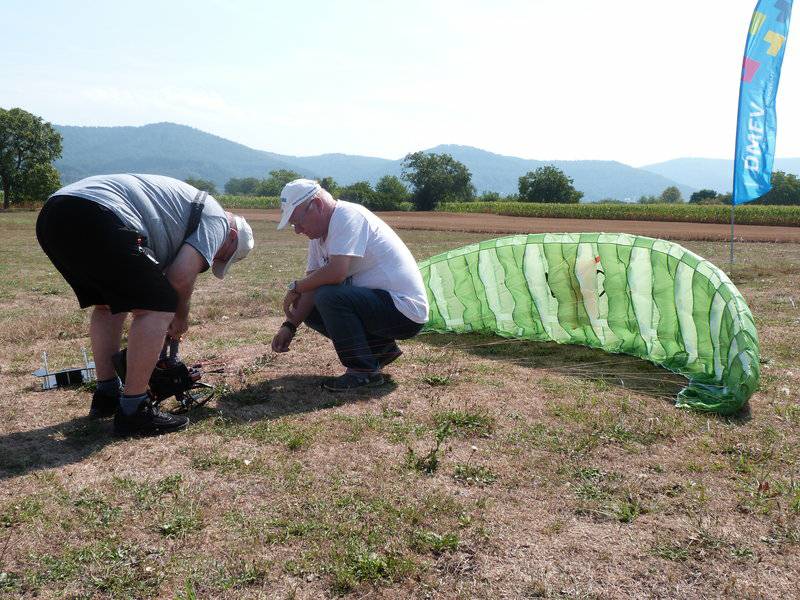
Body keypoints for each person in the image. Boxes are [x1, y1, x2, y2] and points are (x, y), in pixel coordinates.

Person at [36, 174, 254, 435]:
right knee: (160, 305)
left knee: (108, 305)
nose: (212, 259)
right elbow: (181, 277)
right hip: (99, 214)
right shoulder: (217, 219)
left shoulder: (187, 207)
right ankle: (134, 410)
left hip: (55, 214)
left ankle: (107, 395)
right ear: (231, 237)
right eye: (222, 255)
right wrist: (180, 317)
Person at [270, 178, 428, 391]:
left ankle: (362, 372)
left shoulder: (347, 215)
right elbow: (312, 285)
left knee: (328, 296)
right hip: (381, 307)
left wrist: (296, 287)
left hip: (404, 312)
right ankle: (379, 352)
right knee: (317, 300)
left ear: (316, 205)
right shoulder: (318, 237)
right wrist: (289, 326)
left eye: (298, 221)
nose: (297, 230)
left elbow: (336, 273)